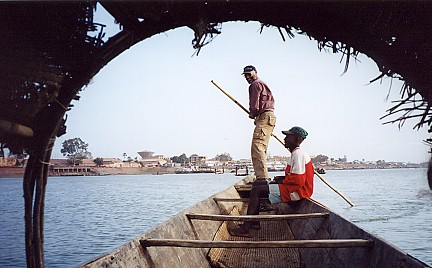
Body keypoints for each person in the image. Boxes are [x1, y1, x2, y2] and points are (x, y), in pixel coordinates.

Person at [229, 126, 314, 237]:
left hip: (297, 191)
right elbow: (294, 177)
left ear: (297, 139)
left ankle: (246, 228)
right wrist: (281, 179)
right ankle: (254, 222)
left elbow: (298, 181)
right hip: (293, 187)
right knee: (257, 184)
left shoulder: (298, 155)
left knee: (257, 190)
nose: (285, 139)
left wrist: (282, 182)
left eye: (288, 137)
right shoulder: (295, 154)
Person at [242, 65, 276, 183]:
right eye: (245, 75)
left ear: (255, 72)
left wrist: (252, 114)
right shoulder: (262, 84)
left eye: (249, 74)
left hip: (265, 116)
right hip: (269, 117)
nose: (247, 77)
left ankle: (262, 179)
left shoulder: (255, 85)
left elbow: (254, 105)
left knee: (257, 147)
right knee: (261, 147)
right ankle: (263, 177)